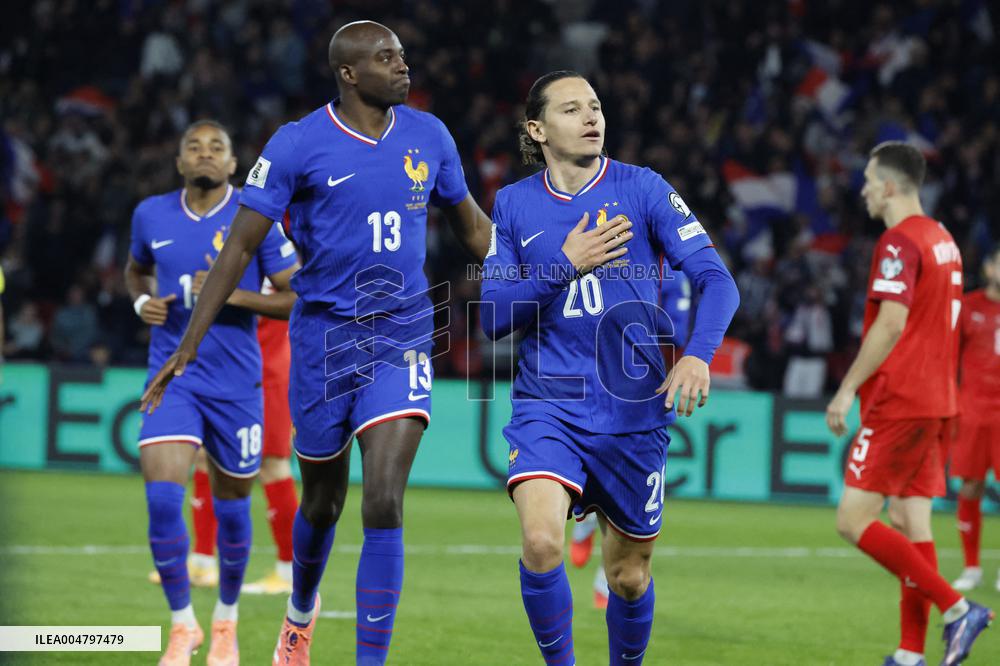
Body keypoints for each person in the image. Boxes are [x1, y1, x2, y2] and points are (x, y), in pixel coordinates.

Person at [140, 21, 491, 666]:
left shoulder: (430, 134)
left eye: (404, 56)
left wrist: (545, 271)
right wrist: (187, 345)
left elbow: (472, 228)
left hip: (403, 333)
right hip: (325, 341)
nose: (403, 67)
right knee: (323, 502)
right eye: (388, 59)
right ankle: (300, 615)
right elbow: (240, 246)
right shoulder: (298, 143)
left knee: (384, 498)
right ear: (350, 73)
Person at [480, 70, 739, 665]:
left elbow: (716, 281)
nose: (591, 116)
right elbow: (492, 316)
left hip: (632, 414)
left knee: (626, 576)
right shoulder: (515, 205)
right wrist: (564, 263)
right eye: (572, 109)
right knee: (542, 541)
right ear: (538, 129)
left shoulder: (643, 189)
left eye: (595, 106)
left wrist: (698, 355)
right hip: (549, 404)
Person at [127, 119, 300, 665]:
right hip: (173, 376)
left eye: (217, 148)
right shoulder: (149, 214)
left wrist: (232, 296)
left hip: (236, 385)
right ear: (179, 162)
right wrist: (140, 302)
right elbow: (136, 271)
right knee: (160, 497)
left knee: (231, 510)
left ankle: (225, 621)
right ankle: (184, 626)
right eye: (194, 147)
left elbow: (298, 296)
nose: (205, 154)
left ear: (233, 165)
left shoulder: (256, 217)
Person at [824, 141, 993, 666]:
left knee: (852, 521)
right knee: (911, 520)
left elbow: (893, 322)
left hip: (901, 398)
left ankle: (957, 607)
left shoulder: (898, 242)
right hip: (938, 399)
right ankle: (909, 653)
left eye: (870, 180)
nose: (864, 189)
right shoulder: (944, 239)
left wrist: (848, 386)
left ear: (891, 186)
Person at [569, 269, 692, 609]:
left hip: (639, 388)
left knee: (630, 496)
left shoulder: (671, 272)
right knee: (588, 460)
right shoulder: (607, 256)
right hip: (588, 379)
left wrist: (630, 315)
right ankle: (584, 521)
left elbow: (677, 331)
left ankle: (601, 574)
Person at [949, 246, 1000, 592]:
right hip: (972, 410)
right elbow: (949, 359)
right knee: (970, 486)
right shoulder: (968, 306)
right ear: (989, 267)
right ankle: (971, 567)